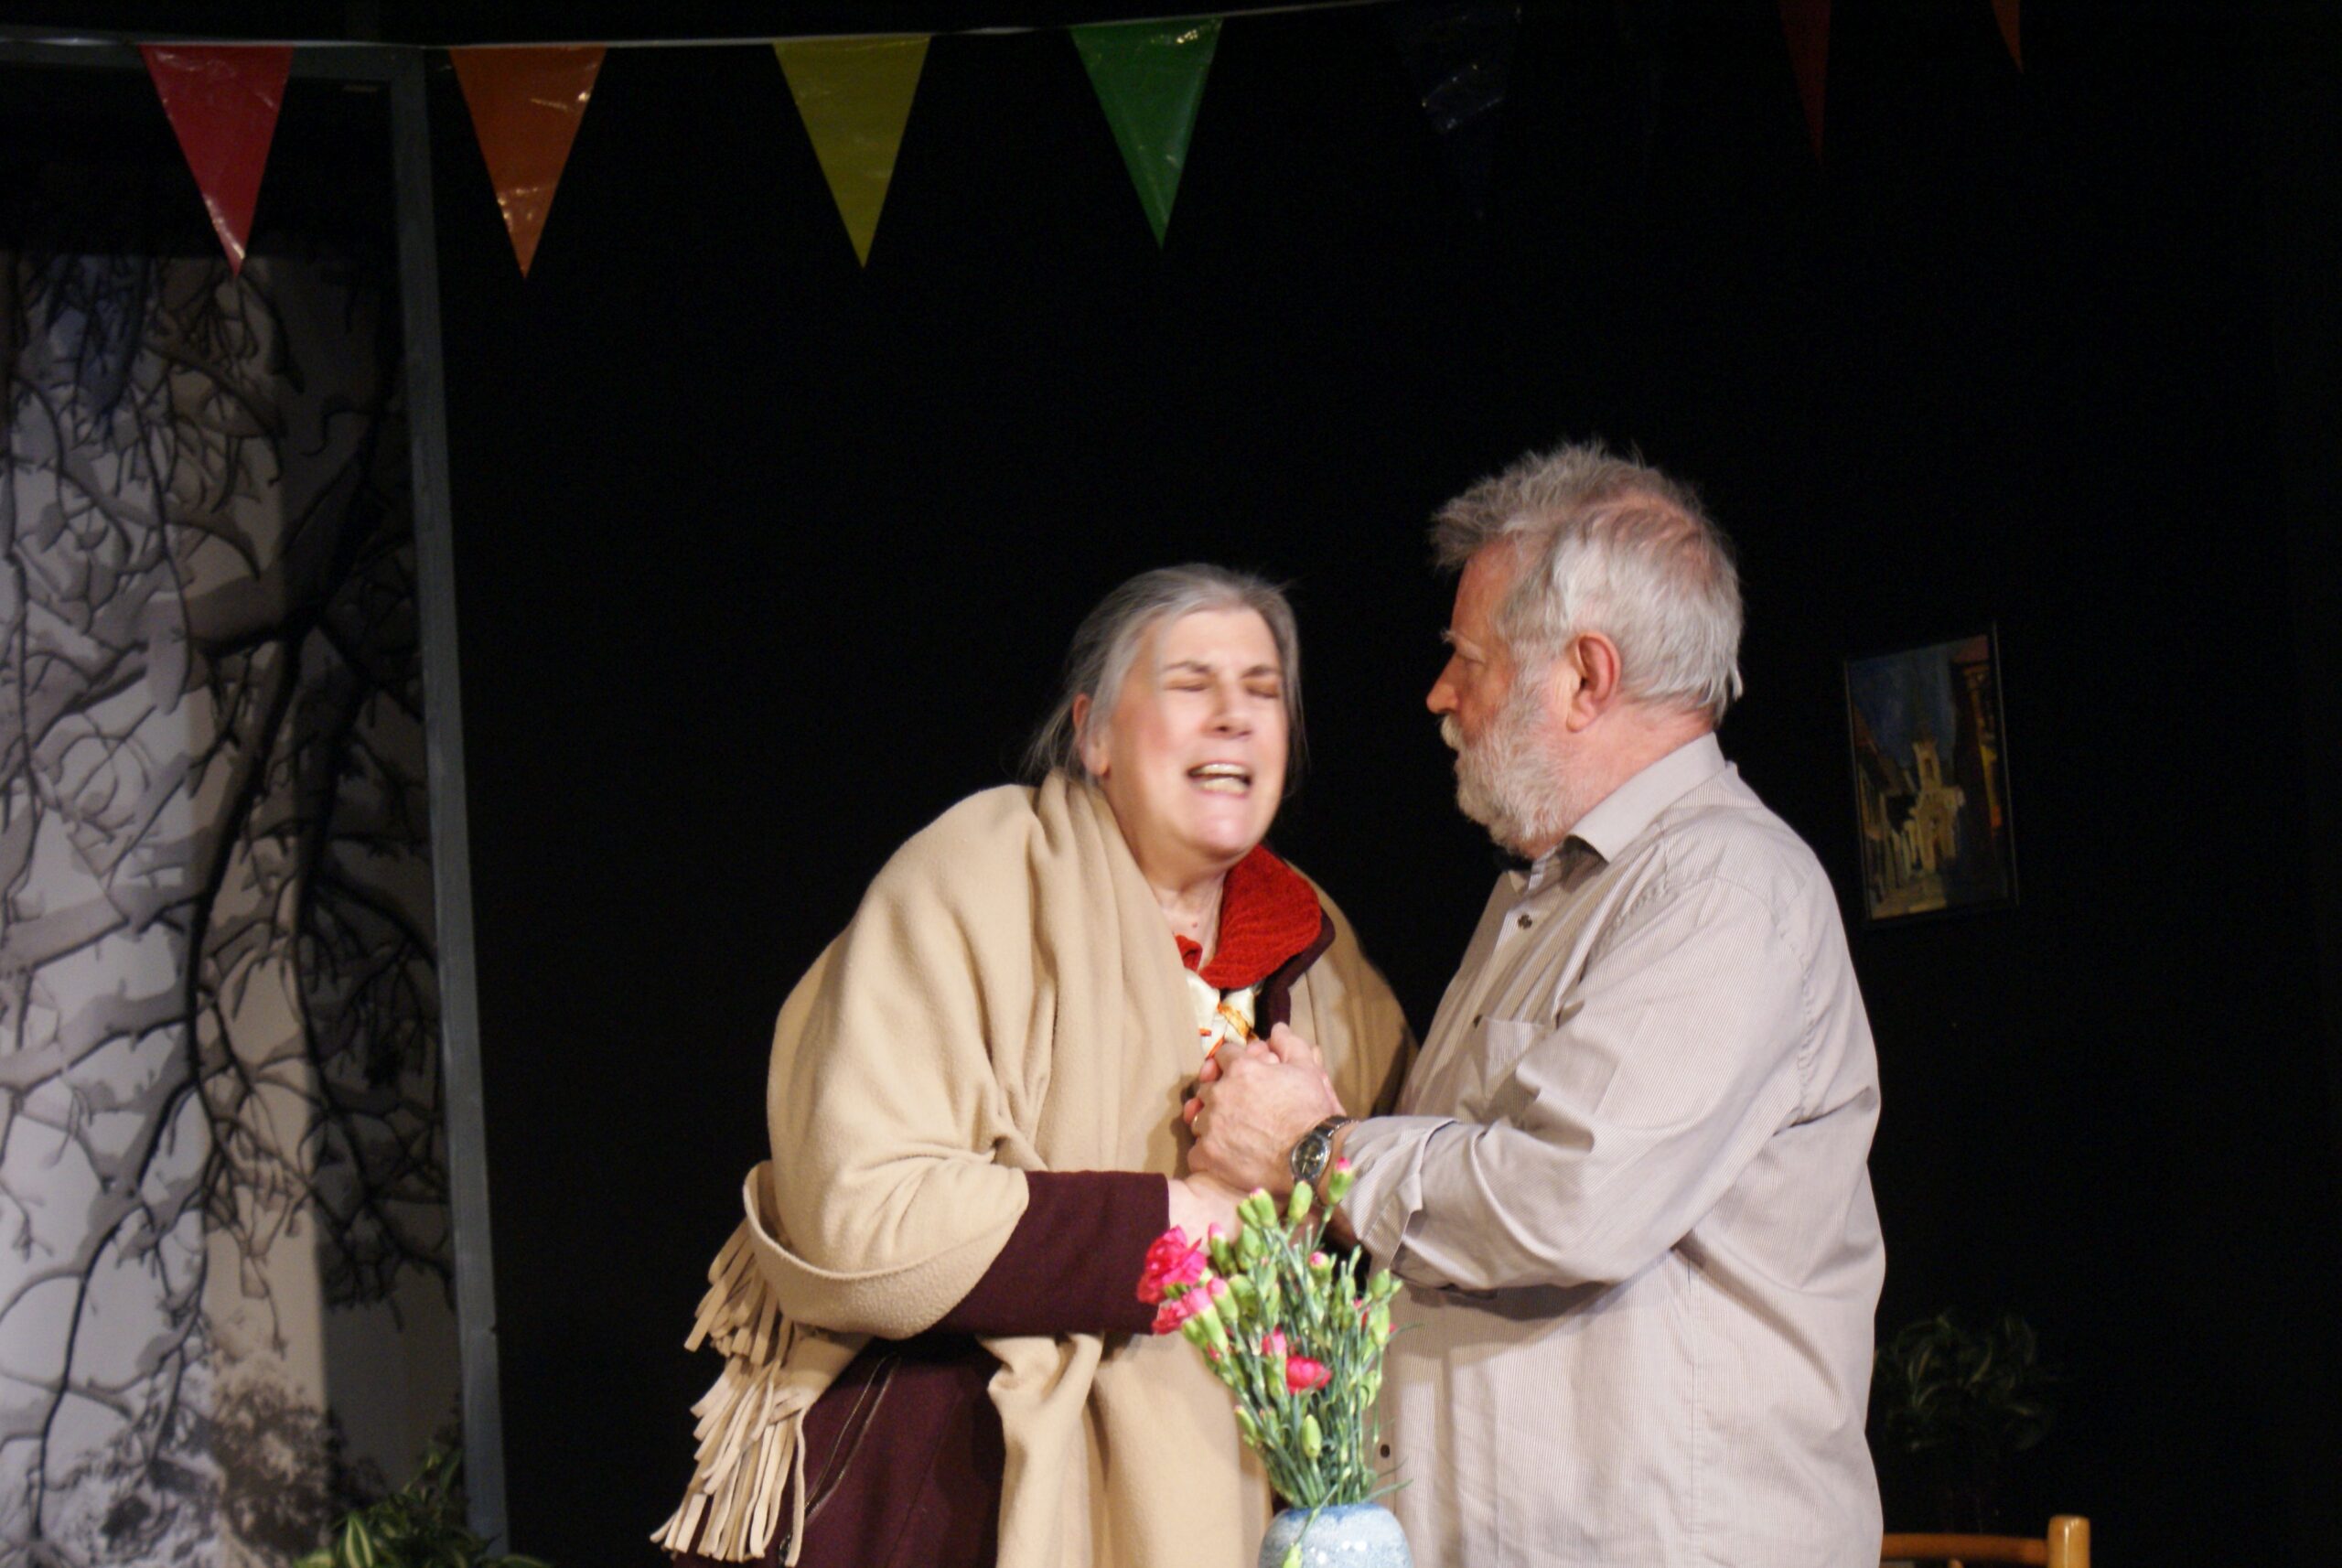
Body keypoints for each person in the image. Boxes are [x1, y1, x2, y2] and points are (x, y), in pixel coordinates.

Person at [1188, 443, 1885, 1567]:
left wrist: (1314, 1150)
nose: (1440, 693)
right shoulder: (1544, 894)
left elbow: (1570, 1195)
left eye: (1469, 658)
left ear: (1585, 677)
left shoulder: (1723, 888)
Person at [655, 565, 1412, 1568]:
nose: (1234, 716)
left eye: (1263, 691)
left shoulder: (1323, 957)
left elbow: (1395, 1227)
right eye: (1190, 684)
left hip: (1237, 1505)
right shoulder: (979, 877)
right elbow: (859, 1207)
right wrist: (1179, 1223)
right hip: (960, 1497)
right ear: (1094, 733)